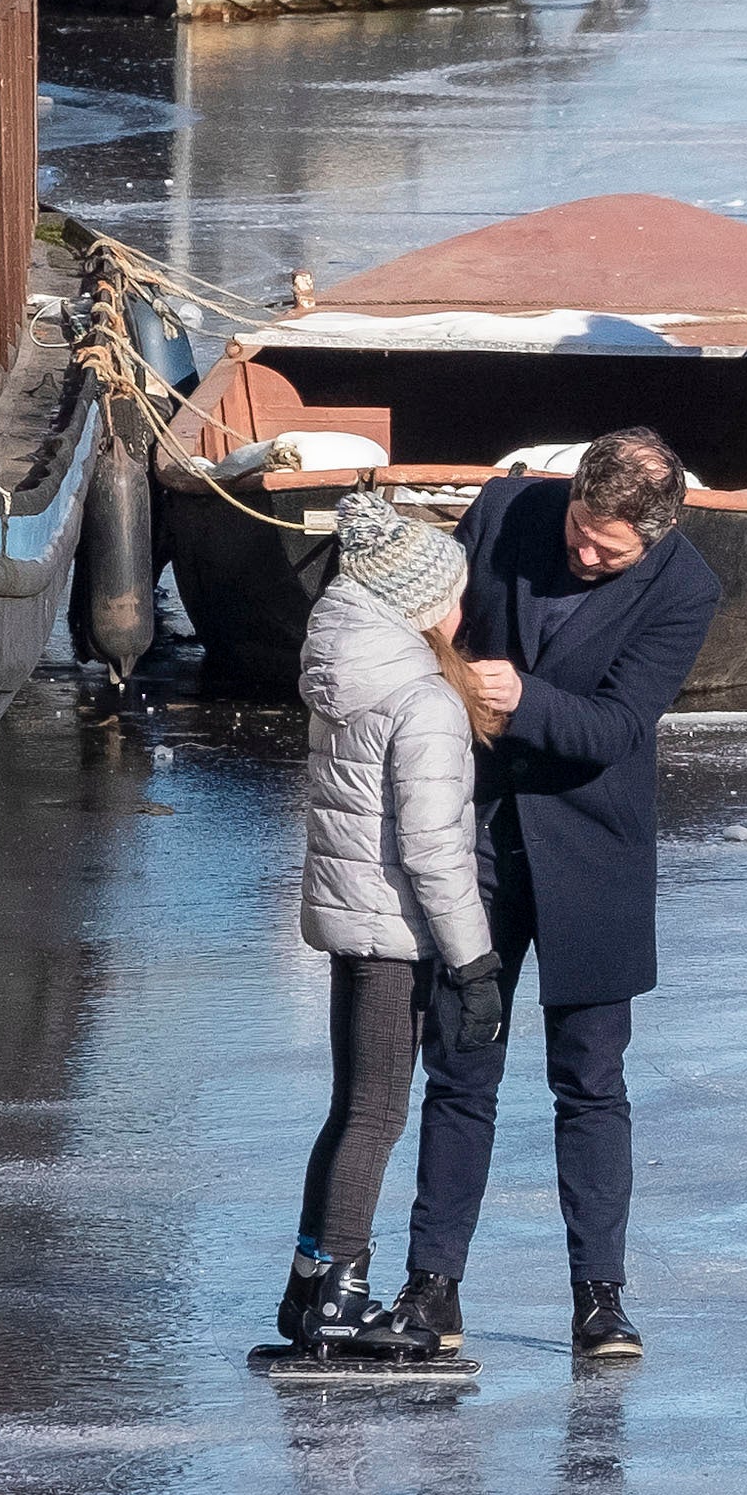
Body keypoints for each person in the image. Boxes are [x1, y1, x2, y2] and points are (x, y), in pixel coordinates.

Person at [393, 430, 723, 1369]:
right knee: (460, 1064)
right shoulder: (506, 507)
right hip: (480, 840)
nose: (583, 555)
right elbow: (434, 611)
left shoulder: (686, 587)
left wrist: (520, 696)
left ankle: (600, 1299)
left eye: (606, 552)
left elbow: (619, 727)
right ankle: (432, 1287)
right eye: (580, 531)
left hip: (594, 853)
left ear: (653, 538)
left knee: (591, 1082)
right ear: (572, 495)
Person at [270, 493, 495, 1373]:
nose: (463, 609)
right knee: (377, 1113)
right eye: (455, 595)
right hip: (393, 930)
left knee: (348, 1108)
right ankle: (337, 1298)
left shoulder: (344, 675)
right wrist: (474, 961)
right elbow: (437, 851)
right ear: (422, 602)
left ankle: (307, 1281)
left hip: (344, 916)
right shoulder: (423, 699)